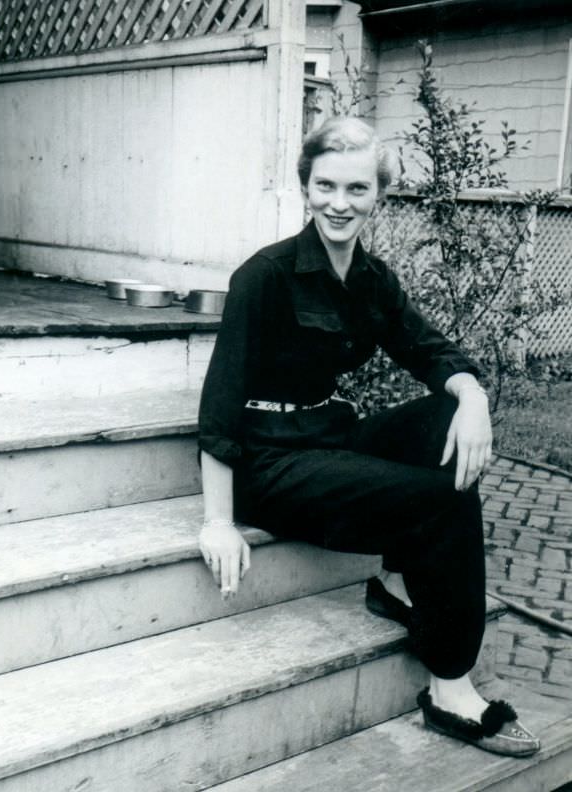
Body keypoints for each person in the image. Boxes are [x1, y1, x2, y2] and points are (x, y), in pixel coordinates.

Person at [196, 116, 539, 757]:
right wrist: (218, 519)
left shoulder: (372, 279)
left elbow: (427, 348)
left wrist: (473, 395)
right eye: (326, 185)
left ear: (377, 194)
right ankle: (451, 688)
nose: (339, 203)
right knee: (443, 501)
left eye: (357, 189)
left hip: (329, 434)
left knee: (447, 420)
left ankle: (398, 585)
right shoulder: (264, 277)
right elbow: (218, 410)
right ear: (305, 187)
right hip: (270, 463)